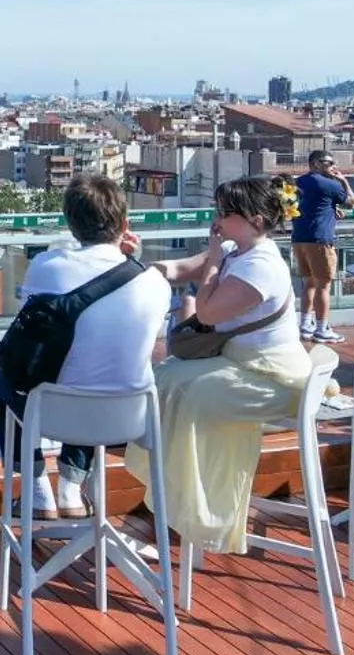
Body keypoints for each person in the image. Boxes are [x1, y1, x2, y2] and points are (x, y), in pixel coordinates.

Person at [128, 176, 310, 554]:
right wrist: (133, 269)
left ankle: (185, 515)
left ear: (256, 220)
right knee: (164, 380)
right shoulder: (235, 248)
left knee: (183, 397)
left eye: (226, 212)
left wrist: (212, 258)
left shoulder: (261, 265)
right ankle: (172, 503)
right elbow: (185, 269)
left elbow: (207, 312)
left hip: (270, 378)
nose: (217, 218)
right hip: (244, 366)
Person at [0, 175, 171, 519]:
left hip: (53, 414)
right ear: (125, 223)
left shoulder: (46, 268)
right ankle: (71, 486)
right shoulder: (155, 284)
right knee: (96, 365)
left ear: (71, 223)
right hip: (131, 416)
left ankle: (38, 488)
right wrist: (134, 260)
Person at [292, 149, 354, 343]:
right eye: (328, 162)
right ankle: (322, 329)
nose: (333, 166)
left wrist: (330, 209)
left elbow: (313, 205)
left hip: (299, 239)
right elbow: (351, 202)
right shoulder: (329, 184)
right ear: (315, 164)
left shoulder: (297, 182)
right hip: (320, 241)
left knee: (308, 283)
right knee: (324, 286)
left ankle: (305, 325)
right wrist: (343, 180)